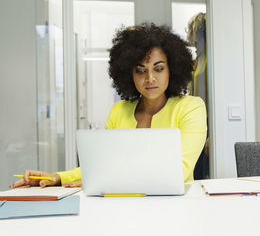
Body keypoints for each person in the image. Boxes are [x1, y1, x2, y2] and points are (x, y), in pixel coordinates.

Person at [10, 23, 207, 188]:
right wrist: (56, 178)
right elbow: (101, 165)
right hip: (119, 205)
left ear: (172, 70)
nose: (150, 78)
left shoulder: (191, 108)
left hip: (172, 207)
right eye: (140, 71)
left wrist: (104, 178)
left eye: (159, 69)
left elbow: (178, 171)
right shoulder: (119, 111)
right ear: (129, 74)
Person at [186, 12, 209, 180]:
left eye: (192, 30)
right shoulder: (196, 60)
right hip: (194, 119)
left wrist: (211, 136)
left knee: (202, 173)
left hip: (207, 120)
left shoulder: (211, 59)